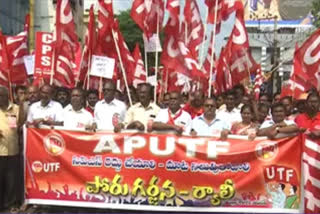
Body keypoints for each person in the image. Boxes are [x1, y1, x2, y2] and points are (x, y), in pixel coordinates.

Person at [0, 86, 20, 211]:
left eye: (1, 96)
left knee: (11, 180)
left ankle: (11, 204)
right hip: (0, 151)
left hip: (12, 150)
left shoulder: (16, 109)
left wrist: (22, 104)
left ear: (7, 96)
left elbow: (18, 124)